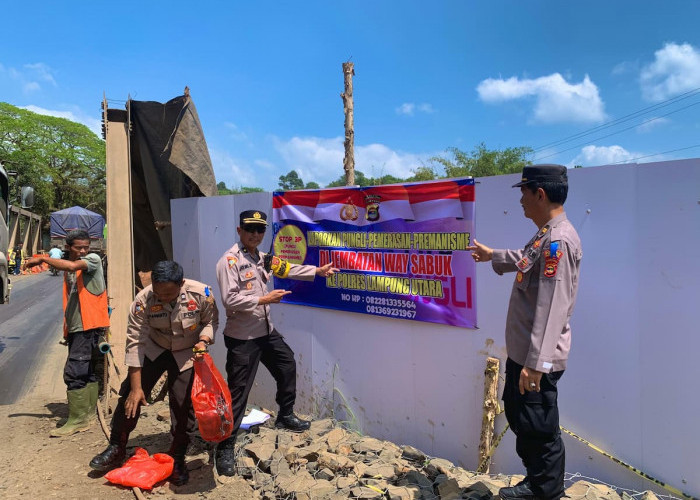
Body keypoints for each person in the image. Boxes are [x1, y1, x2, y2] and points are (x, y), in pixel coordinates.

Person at [467, 165, 582, 500]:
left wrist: (536, 364)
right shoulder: (547, 233)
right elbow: (526, 258)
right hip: (525, 354)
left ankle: (545, 490)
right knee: (521, 415)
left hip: (536, 359)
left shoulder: (558, 240)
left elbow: (552, 307)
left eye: (524, 191)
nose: (520, 199)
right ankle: (538, 481)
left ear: (540, 194)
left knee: (538, 424)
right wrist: (493, 256)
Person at [213, 210, 338, 476]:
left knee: (286, 363)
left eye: (260, 230)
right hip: (242, 337)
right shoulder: (229, 261)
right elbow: (229, 299)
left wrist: (317, 270)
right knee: (238, 394)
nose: (255, 235)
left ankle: (285, 415)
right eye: (250, 230)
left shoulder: (262, 258)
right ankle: (224, 448)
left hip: (265, 331)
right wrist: (263, 300)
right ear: (239, 231)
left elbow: (287, 267)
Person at [89, 260, 218, 486]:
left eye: (169, 293)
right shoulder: (143, 300)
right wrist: (138, 389)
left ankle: (176, 456)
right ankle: (116, 446)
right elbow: (136, 343)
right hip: (154, 348)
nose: (163, 298)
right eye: (159, 293)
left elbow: (210, 322)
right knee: (130, 396)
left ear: (181, 284)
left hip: (186, 351)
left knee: (182, 402)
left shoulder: (202, 294)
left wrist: (204, 341)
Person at [24, 230, 110, 437]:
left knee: (74, 371)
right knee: (85, 368)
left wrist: (42, 258)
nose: (83, 250)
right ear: (68, 247)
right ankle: (87, 414)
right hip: (78, 326)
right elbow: (72, 298)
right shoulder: (71, 270)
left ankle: (78, 419)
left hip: (88, 326)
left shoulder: (93, 259)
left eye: (86, 246)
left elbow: (72, 265)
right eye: (78, 247)